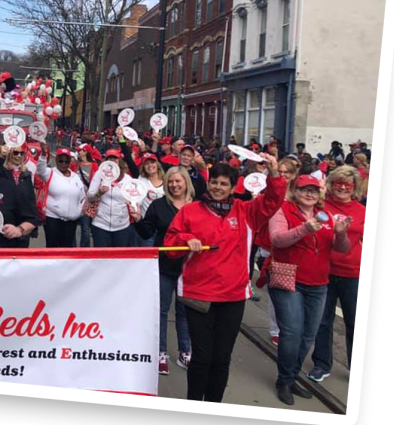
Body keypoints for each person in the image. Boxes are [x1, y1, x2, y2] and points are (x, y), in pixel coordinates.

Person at [165, 160, 287, 403]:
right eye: (214, 182)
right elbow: (170, 244)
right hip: (197, 294)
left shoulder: (246, 211)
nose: (217, 187)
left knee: (221, 358)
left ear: (233, 188)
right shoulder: (190, 211)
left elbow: (274, 200)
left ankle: (213, 405)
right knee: (201, 357)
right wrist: (186, 239)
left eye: (224, 184)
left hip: (233, 297)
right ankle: (193, 405)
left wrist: (274, 173)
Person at [267, 171, 353, 405]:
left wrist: (342, 233)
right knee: (292, 333)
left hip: (318, 283)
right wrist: (305, 228)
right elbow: (277, 239)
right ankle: (284, 380)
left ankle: (291, 376)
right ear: (295, 191)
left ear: (319, 194)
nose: (308, 194)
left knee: (308, 335)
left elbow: (342, 248)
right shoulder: (282, 211)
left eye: (313, 190)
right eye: (304, 189)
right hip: (289, 279)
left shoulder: (327, 216)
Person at [134, 166, 195, 374]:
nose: (174, 185)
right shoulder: (159, 205)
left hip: (191, 268)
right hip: (165, 266)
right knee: (161, 310)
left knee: (184, 311)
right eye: (170, 181)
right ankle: (160, 352)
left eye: (178, 181)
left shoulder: (197, 206)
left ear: (186, 182)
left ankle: (185, 350)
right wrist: (137, 219)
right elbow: (146, 232)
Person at [310, 164, 365, 383]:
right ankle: (321, 364)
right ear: (331, 185)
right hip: (323, 270)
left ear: (354, 188)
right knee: (323, 321)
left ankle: (357, 368)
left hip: (353, 272)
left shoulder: (363, 211)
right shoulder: (320, 206)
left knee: (354, 322)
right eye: (338, 184)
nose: (342, 188)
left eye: (347, 185)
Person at [85, 144, 141, 248]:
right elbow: (90, 196)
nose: (112, 161)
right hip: (100, 224)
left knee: (119, 260)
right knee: (102, 259)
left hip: (122, 226)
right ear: (105, 161)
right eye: (109, 158)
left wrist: (133, 205)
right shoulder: (99, 174)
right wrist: (99, 193)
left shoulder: (127, 179)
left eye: (114, 158)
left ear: (119, 160)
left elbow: (135, 199)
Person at [41, 147, 87, 248]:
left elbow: (82, 196)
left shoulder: (75, 176)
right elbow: (40, 169)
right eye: (61, 160)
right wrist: (43, 156)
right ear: (56, 160)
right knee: (52, 249)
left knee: (66, 251)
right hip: (53, 219)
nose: (64, 163)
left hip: (71, 221)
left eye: (66, 161)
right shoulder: (50, 173)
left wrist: (79, 212)